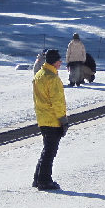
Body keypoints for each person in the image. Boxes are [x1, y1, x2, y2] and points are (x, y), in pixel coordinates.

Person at [32, 48, 69, 190]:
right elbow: (57, 101)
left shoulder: (40, 74)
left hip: (42, 118)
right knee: (50, 151)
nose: (61, 63)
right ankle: (44, 180)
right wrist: (63, 119)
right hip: (53, 119)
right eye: (59, 60)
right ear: (54, 62)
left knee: (47, 149)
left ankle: (38, 178)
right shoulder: (52, 78)